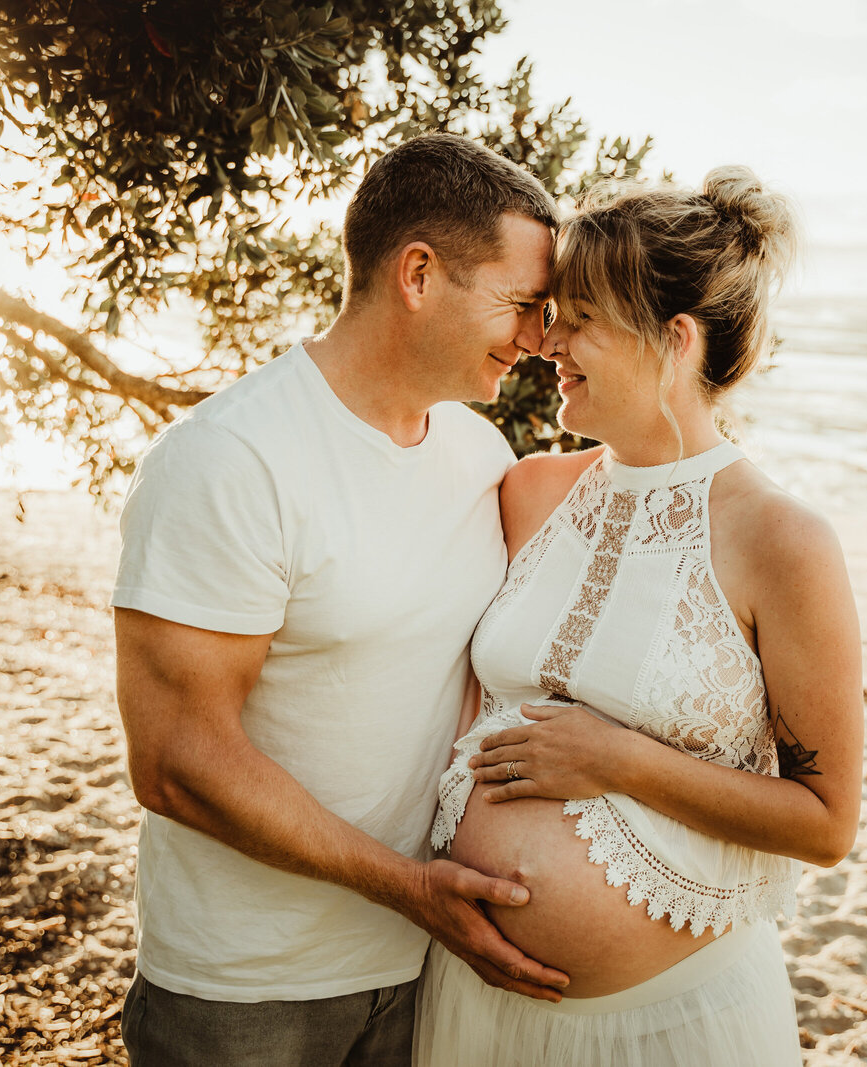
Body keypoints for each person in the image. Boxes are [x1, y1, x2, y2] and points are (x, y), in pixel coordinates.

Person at [109, 133, 573, 1067]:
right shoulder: (229, 460)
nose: (535, 340)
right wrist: (408, 886)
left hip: (428, 972)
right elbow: (176, 760)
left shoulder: (479, 454)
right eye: (521, 305)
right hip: (248, 994)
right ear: (417, 274)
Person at [414, 167, 864, 1066]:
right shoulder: (528, 490)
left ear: (676, 340)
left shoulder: (784, 542)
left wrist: (616, 758)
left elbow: (825, 822)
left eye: (580, 317)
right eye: (552, 313)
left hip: (672, 1026)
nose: (549, 340)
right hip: (471, 1002)